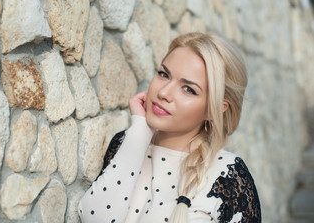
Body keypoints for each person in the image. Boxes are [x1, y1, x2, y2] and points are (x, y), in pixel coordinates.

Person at [78, 32, 261, 223]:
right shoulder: (125, 143)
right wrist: (140, 133)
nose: (164, 92)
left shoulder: (229, 175)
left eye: (188, 89)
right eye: (164, 74)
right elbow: (93, 218)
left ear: (213, 110)